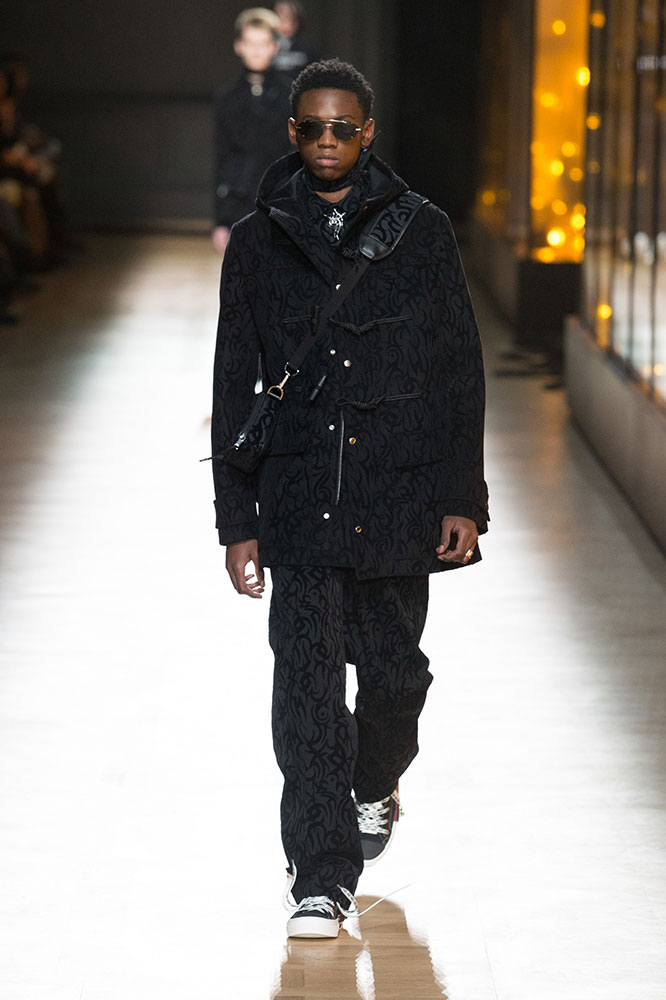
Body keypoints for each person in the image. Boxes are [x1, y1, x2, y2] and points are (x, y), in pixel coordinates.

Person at [210, 58, 489, 939]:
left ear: (368, 133)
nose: (326, 141)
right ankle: (320, 876)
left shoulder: (422, 232)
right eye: (311, 128)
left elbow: (458, 370)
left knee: (397, 676)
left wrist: (462, 496)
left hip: (398, 492)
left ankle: (374, 780)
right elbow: (233, 382)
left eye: (342, 128)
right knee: (305, 692)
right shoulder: (259, 239)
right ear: (292, 132)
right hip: (298, 494)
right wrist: (237, 518)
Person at [212, 7, 292, 255]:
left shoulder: (291, 95)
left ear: (274, 47)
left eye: (263, 43)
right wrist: (221, 221)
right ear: (239, 46)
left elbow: (297, 154)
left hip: (281, 203)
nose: (256, 51)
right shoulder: (227, 98)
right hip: (239, 203)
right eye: (250, 43)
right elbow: (222, 159)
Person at [273, 1, 317, 78]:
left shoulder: (306, 45)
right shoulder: (266, 43)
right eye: (277, 15)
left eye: (286, 17)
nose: (280, 20)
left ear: (296, 21)